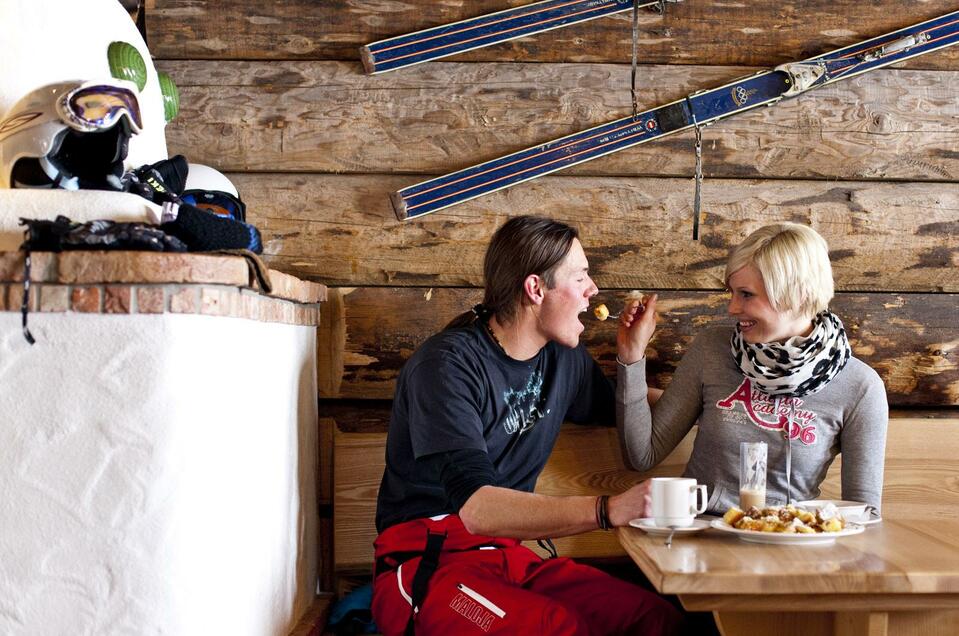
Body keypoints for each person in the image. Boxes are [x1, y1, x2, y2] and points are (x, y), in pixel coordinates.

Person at [371, 215, 683, 636]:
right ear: (536, 289)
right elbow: (479, 509)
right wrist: (609, 510)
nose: (593, 291)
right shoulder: (447, 366)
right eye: (581, 277)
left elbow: (629, 407)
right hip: (430, 562)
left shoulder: (563, 360)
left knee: (654, 620)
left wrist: (709, 405)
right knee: (558, 628)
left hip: (507, 559)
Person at [617, 222, 889, 514]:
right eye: (731, 292)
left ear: (795, 294)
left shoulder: (859, 386)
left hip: (790, 545)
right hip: (700, 539)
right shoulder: (712, 350)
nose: (732, 308)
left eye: (746, 294)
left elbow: (863, 512)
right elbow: (642, 455)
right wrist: (631, 356)